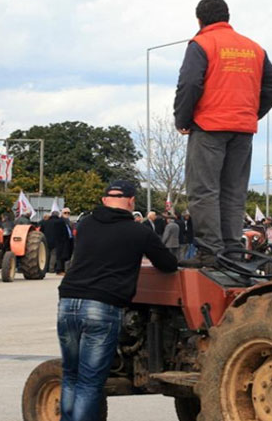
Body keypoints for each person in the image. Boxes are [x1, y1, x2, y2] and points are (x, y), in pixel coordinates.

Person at [175, 0, 272, 267]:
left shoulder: (201, 43)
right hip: (242, 130)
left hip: (209, 127)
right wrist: (250, 113)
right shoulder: (254, 48)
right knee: (233, 192)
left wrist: (183, 119)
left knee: (204, 191)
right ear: (227, 17)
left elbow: (189, 84)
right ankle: (234, 251)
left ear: (199, 20)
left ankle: (211, 252)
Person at [57, 180, 177, 421]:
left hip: (68, 303)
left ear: (103, 200)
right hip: (101, 307)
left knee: (71, 375)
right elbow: (168, 264)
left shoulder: (86, 223)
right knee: (90, 383)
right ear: (132, 202)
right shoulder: (139, 231)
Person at [42, 211, 70, 275]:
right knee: (54, 255)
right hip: (57, 241)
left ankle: (46, 268)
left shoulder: (45, 222)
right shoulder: (60, 222)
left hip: (46, 240)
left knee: (46, 254)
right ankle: (51, 269)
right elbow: (64, 233)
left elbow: (41, 231)